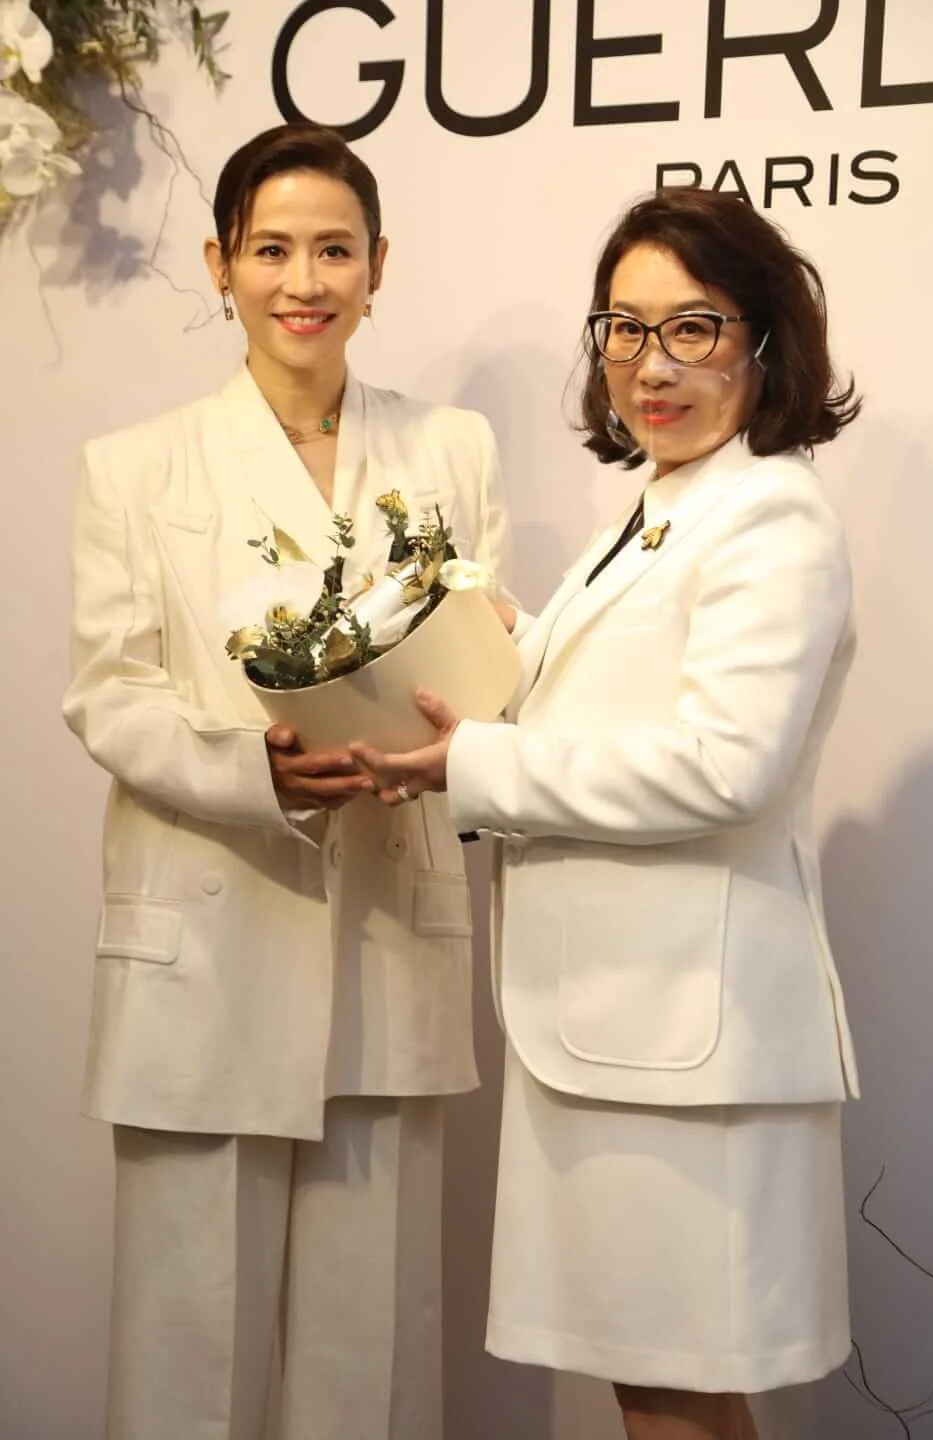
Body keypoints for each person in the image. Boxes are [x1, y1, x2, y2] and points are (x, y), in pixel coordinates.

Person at [351, 187, 861, 1440]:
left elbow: (724, 767)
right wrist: (492, 639)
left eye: (694, 326)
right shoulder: (656, 513)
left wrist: (475, 765)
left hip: (683, 1039)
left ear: (765, 342)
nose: (653, 364)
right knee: (658, 1386)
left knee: (673, 1388)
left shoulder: (768, 516)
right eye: (626, 329)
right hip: (625, 1033)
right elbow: (616, 698)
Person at [62, 122, 512, 1440]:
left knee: (371, 1374)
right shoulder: (132, 466)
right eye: (271, 250)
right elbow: (108, 691)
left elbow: (492, 660)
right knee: (184, 1365)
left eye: (333, 250)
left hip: (390, 936)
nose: (303, 281)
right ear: (220, 265)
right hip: (204, 939)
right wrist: (250, 766)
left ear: (379, 266)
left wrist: (467, 707)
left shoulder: (452, 449)